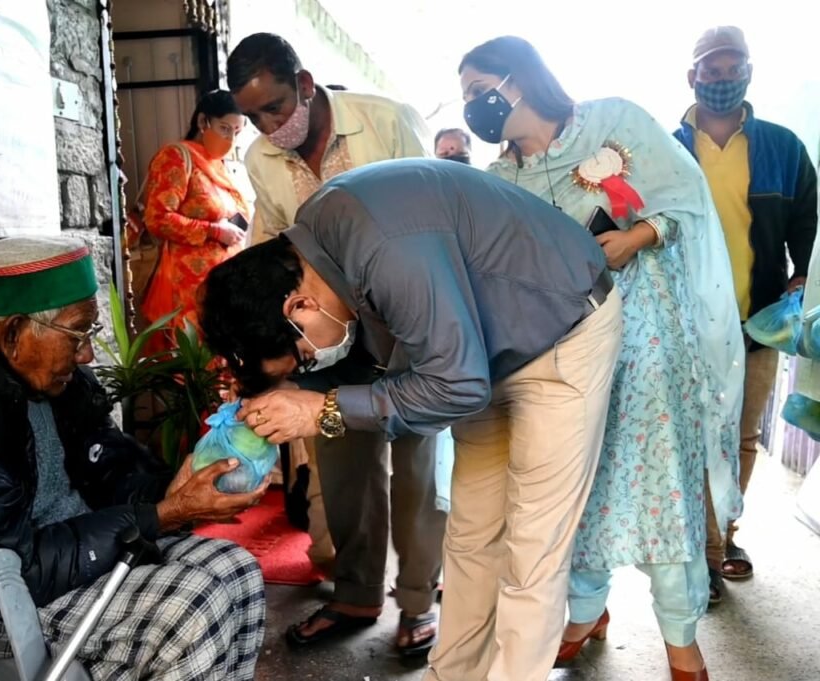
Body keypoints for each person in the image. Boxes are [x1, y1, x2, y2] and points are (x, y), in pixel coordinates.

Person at [199, 158, 623, 681]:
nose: (313, 367)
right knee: (471, 535)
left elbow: (456, 386)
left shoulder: (383, 249)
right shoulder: (319, 243)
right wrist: (296, 395)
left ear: (300, 306)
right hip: (483, 352)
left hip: (563, 330)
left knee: (533, 545)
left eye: (304, 359)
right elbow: (431, 369)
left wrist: (324, 408)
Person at [0, 237, 267, 680]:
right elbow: (16, 567)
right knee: (190, 608)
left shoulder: (57, 377)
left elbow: (108, 466)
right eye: (77, 333)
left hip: (59, 553)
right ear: (15, 333)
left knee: (238, 572)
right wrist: (163, 514)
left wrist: (173, 490)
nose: (87, 353)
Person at [458, 36, 745, 681]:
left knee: (660, 485)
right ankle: (584, 612)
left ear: (518, 80)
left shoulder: (613, 120)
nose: (475, 106)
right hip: (560, 357)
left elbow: (685, 198)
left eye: (480, 91)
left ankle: (680, 638)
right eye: (467, 97)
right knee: (574, 491)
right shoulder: (498, 180)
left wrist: (636, 236)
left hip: (647, 347)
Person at [226, 32, 444, 655]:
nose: (268, 127)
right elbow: (271, 244)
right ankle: (355, 593)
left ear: (304, 84)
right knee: (342, 468)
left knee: (418, 468)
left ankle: (418, 602)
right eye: (252, 117)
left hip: (411, 323)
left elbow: (437, 215)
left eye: (274, 107)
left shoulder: (386, 121)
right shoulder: (262, 159)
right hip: (330, 339)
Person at [674, 26, 818, 598]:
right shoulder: (666, 147)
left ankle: (720, 540)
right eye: (712, 70)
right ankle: (698, 546)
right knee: (690, 435)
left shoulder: (783, 147)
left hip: (757, 319)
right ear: (692, 76)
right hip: (683, 321)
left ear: (750, 73)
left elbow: (808, 220)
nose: (723, 79)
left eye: (734, 68)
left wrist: (803, 275)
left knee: (739, 437)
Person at [141, 90, 250, 346]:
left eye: (237, 132)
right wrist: (213, 230)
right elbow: (157, 218)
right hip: (187, 288)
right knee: (194, 358)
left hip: (222, 287)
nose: (230, 139)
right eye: (224, 129)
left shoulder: (220, 166)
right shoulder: (176, 157)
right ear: (203, 121)